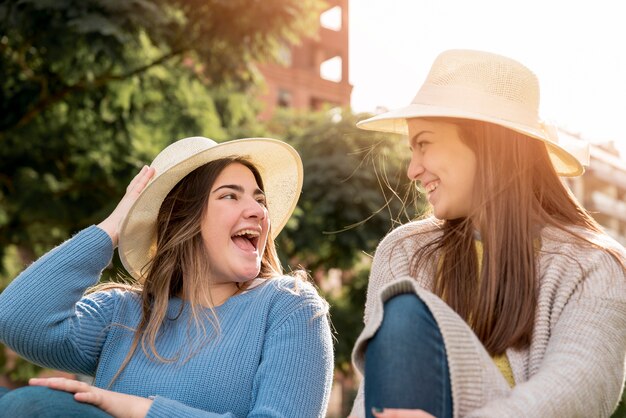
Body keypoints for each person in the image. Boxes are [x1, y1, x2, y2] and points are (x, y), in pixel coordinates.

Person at [349, 49, 626, 418]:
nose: (413, 169)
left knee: (403, 312)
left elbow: (576, 391)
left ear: (487, 145)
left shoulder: (594, 265)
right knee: (403, 312)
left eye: (424, 144)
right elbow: (371, 397)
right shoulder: (405, 251)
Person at [0, 136, 334, 417]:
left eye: (260, 200)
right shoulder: (123, 313)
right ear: (180, 220)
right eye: (230, 195)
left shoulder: (290, 307)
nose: (259, 211)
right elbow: (17, 319)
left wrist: (139, 409)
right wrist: (115, 225)